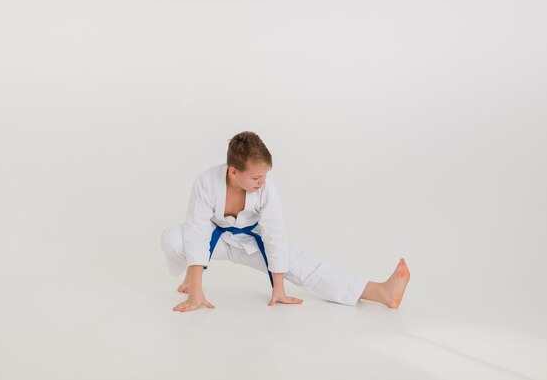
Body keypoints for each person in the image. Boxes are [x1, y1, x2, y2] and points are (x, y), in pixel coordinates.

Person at [160, 131, 410, 312]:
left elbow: (274, 234)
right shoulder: (206, 183)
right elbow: (196, 232)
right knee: (172, 239)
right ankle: (189, 278)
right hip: (216, 239)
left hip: (251, 241)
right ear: (233, 172)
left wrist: (278, 288)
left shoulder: (267, 190)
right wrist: (196, 289)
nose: (262, 181)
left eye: (265, 175)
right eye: (256, 176)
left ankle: (380, 291)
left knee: (303, 266)